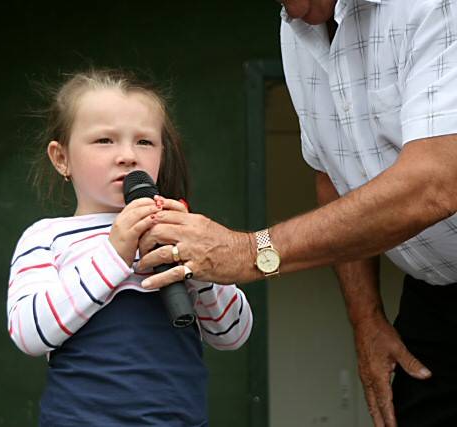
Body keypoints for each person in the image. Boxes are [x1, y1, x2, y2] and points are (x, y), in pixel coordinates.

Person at [137, 1, 457, 426]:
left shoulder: (431, 6)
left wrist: (252, 251)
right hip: (435, 295)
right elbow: (333, 174)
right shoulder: (296, 30)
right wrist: (366, 318)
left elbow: (437, 182)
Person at [6, 69, 253, 426]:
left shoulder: (182, 230)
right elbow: (29, 333)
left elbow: (233, 335)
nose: (127, 156)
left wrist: (198, 272)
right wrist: (114, 255)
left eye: (145, 142)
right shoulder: (47, 237)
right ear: (61, 159)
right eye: (104, 140)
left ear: (162, 155)